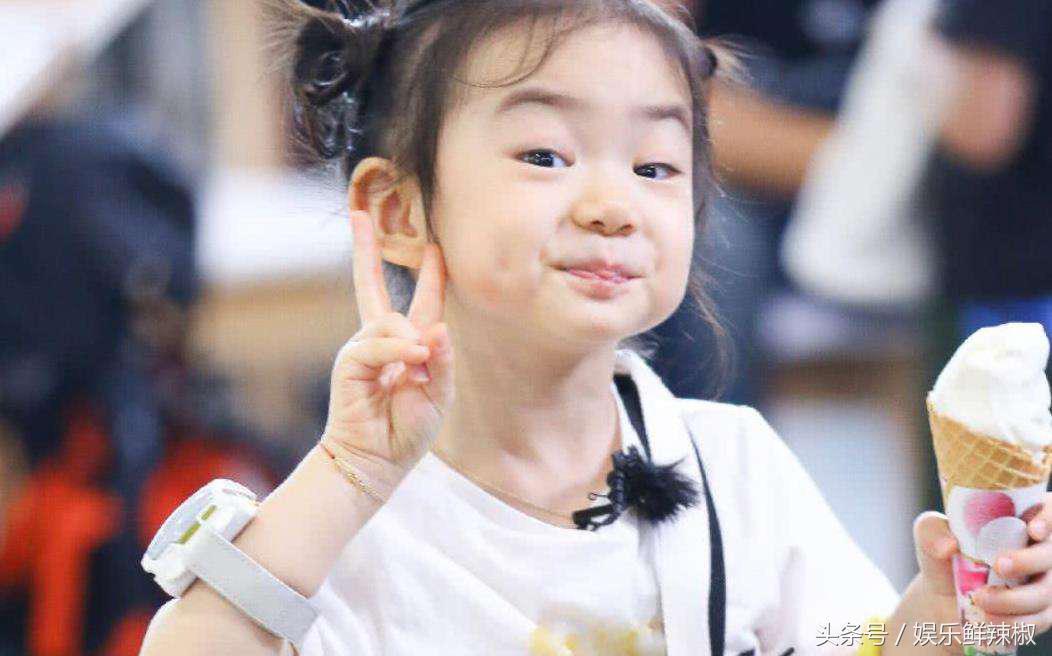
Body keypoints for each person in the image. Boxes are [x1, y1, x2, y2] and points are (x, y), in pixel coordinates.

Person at [140, 1, 1052, 654]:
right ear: (398, 210)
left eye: (655, 166)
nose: (614, 204)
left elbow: (853, 642)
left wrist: (950, 615)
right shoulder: (346, 519)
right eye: (546, 155)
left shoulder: (733, 468)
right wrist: (346, 475)